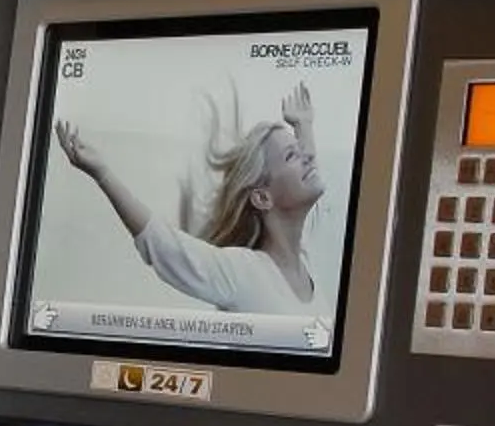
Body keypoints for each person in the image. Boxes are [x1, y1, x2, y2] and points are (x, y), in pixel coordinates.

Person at [53, 81, 326, 314]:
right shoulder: (243, 274)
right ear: (263, 198)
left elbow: (308, 172)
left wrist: (304, 126)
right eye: (292, 155)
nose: (308, 157)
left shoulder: (305, 259)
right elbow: (162, 243)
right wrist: (102, 174)